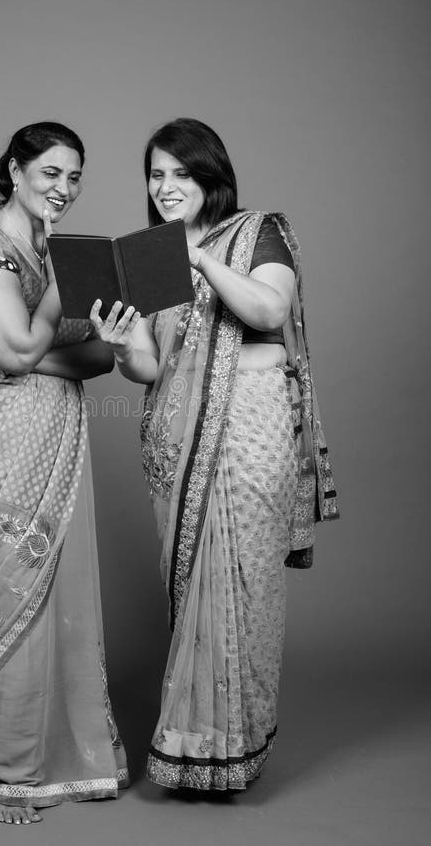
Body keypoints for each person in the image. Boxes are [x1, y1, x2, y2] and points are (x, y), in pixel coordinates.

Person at [90, 118, 338, 792]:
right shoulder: (146, 254)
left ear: (211, 176)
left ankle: (237, 746)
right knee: (196, 593)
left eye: (180, 173)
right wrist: (118, 342)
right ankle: (193, 749)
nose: (166, 187)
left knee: (243, 587)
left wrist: (198, 258)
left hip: (251, 430)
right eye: (156, 174)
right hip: (177, 439)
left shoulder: (257, 231)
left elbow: (266, 310)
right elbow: (146, 365)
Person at [0, 122, 128, 824]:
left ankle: (56, 756)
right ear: (15, 170)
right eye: (51, 174)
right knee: (6, 594)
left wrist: (17, 350)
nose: (64, 189)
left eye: (74, 178)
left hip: (49, 442)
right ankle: (7, 771)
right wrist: (36, 327)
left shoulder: (57, 253)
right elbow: (11, 356)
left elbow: (98, 359)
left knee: (49, 596)